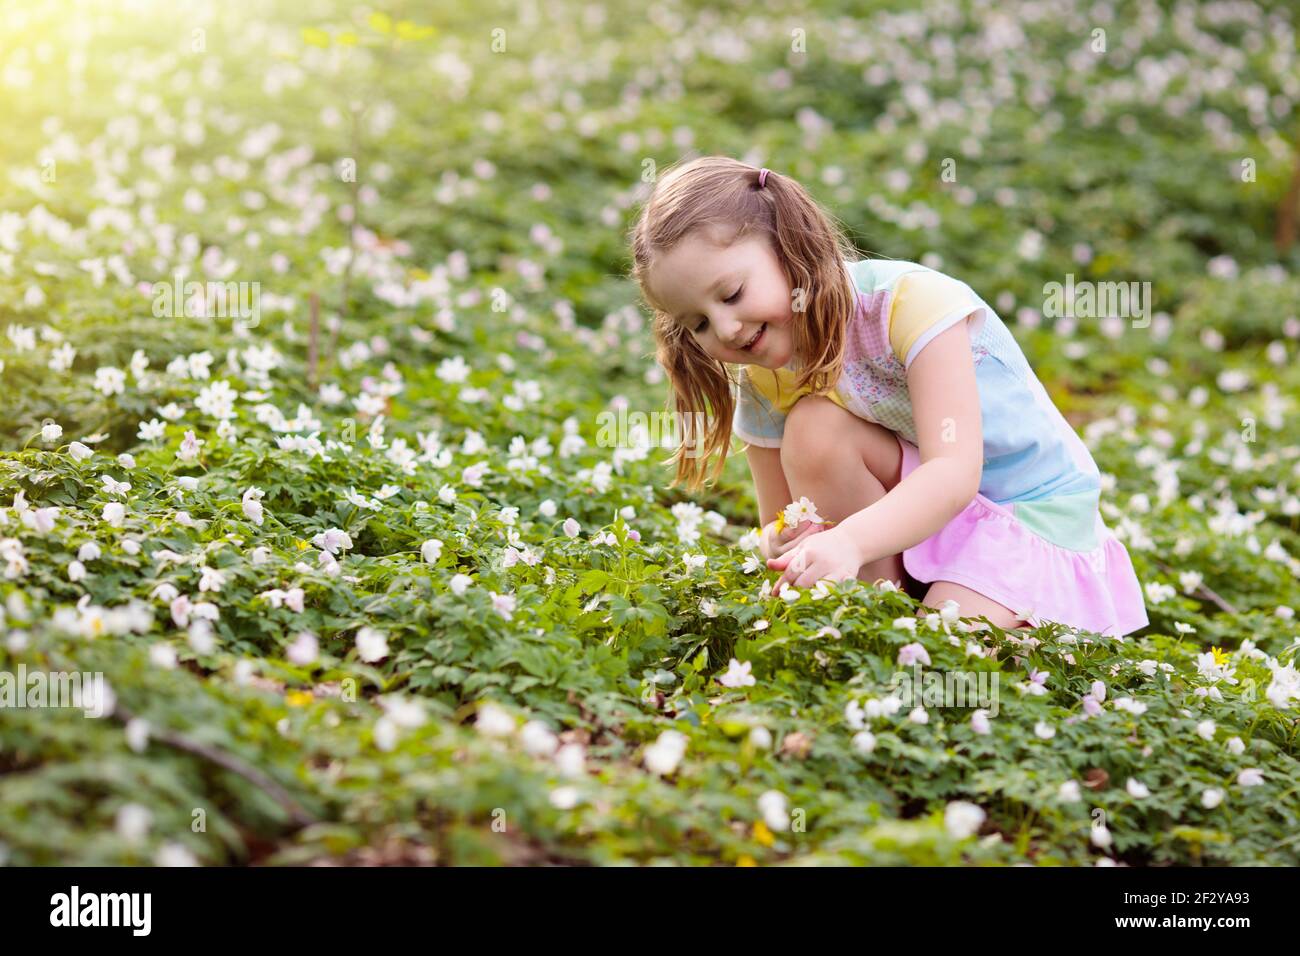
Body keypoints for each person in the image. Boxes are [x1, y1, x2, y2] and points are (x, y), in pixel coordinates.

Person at [628, 155, 1148, 636]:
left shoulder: (910, 305)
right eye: (697, 323)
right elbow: (781, 519)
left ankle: (982, 611)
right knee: (813, 428)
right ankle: (882, 603)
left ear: (788, 244)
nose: (727, 328)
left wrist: (849, 540)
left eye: (732, 294)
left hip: (1029, 513)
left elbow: (954, 472)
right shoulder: (766, 371)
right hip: (919, 512)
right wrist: (783, 541)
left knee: (944, 652)